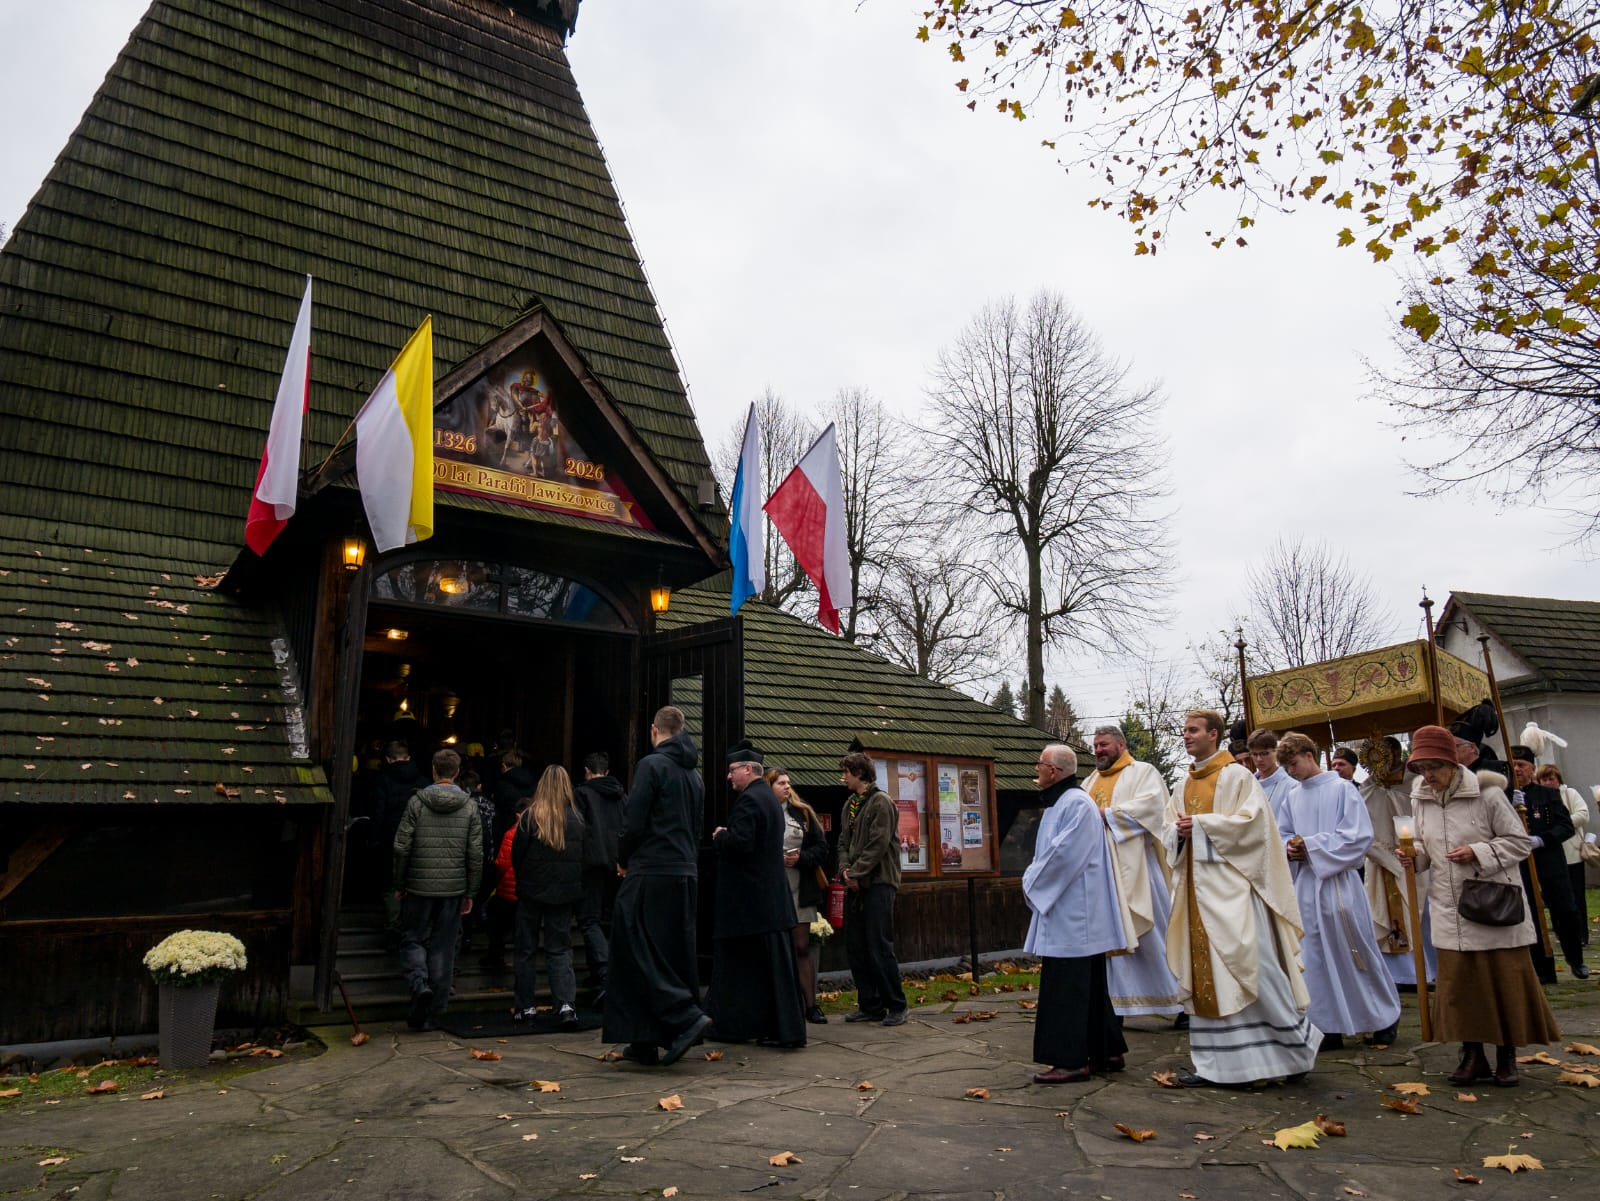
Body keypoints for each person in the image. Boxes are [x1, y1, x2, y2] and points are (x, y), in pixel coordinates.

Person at [1396, 725, 1559, 1087]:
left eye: (1433, 768)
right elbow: (1423, 844)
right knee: (1462, 987)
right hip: (1448, 904)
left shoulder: (1487, 794)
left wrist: (1478, 852)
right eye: (1421, 769)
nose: (1427, 776)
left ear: (1451, 763)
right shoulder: (1420, 797)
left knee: (1503, 984)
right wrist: (1413, 856)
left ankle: (1506, 1056)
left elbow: (1518, 843)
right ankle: (1472, 1056)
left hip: (1492, 903)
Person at [1163, 710, 1319, 1087]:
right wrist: (1181, 835)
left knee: (1255, 969)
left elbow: (1256, 829)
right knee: (1212, 976)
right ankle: (1225, 1066)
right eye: (1184, 731)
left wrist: (1200, 826)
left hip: (1234, 894)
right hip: (1197, 895)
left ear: (1214, 734)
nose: (1186, 736)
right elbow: (1167, 829)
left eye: (1193, 730)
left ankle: (1291, 1053)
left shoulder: (1236, 776)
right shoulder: (1184, 784)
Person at [1275, 731, 1402, 1049]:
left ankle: (1383, 1017)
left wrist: (1311, 847)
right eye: (1286, 767)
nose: (1291, 772)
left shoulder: (1343, 789)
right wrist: (1288, 848)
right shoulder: (1293, 795)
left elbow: (1358, 836)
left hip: (1339, 885)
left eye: (1293, 764)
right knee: (1314, 958)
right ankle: (1325, 1024)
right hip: (1306, 886)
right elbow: (1281, 833)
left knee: (1356, 951)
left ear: (1308, 754)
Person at [604, 706, 711, 1066]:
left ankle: (684, 1018)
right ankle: (646, 1038)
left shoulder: (651, 766)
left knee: (634, 946)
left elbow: (634, 822)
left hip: (651, 868)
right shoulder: (694, 776)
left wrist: (623, 856)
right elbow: (696, 827)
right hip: (684, 870)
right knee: (669, 951)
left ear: (654, 730)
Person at [1024, 744, 1131, 1083]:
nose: (1036, 770)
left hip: (1074, 914)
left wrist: (1030, 880)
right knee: (1089, 985)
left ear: (1054, 771)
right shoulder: (1065, 802)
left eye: (1040, 764)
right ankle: (1106, 1050)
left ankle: (1070, 1060)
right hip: (1072, 910)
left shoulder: (1076, 804)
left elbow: (1063, 856)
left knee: (1067, 987)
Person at [1082, 725, 1185, 1026]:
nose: (1099, 750)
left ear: (1120, 744)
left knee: (1152, 934)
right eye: (1096, 745)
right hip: (1103, 871)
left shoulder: (1143, 772)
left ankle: (1177, 1002)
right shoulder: (1090, 781)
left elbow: (1153, 809)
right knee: (1111, 941)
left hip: (1138, 868)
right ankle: (1118, 1006)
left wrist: (1107, 815)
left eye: (1104, 745)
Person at [706, 742, 806, 1047]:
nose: (729, 777)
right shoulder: (767, 799)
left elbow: (743, 844)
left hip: (754, 906)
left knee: (759, 973)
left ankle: (750, 1027)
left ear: (748, 769)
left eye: (733, 771)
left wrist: (722, 836)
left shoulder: (751, 800)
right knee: (766, 973)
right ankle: (769, 1029)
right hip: (767, 906)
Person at [392, 748, 484, 1030]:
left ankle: (419, 984)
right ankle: (435, 1011)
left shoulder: (416, 803)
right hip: (453, 887)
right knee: (444, 947)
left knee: (412, 939)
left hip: (419, 884)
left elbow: (401, 846)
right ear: (456, 773)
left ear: (434, 769)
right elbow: (475, 853)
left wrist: (400, 882)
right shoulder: (469, 806)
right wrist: (471, 891)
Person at [510, 765, 587, 1027]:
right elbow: (581, 859)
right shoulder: (577, 819)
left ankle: (526, 1006)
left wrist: (524, 880)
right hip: (563, 893)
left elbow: (516, 856)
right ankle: (565, 1005)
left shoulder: (531, 817)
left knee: (526, 949)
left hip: (532, 891)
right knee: (560, 949)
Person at [1359, 736, 1437, 989]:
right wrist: (1380, 852)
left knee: (1420, 912)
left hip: (1414, 856)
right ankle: (1399, 974)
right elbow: (1363, 823)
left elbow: (1424, 815)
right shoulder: (1368, 786)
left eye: (1386, 752)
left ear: (1395, 752)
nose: (1381, 760)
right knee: (1383, 912)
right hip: (1379, 860)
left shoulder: (1416, 782)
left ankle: (1430, 968)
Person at [838, 751, 909, 1027]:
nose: (843, 776)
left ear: (859, 773)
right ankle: (870, 1004)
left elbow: (878, 844)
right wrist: (846, 871)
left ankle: (896, 1004)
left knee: (879, 944)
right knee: (856, 946)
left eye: (846, 771)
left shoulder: (881, 802)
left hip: (879, 882)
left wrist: (856, 873)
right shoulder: (850, 805)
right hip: (856, 883)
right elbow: (843, 842)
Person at [1510, 747, 1585, 981]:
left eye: (1522, 764)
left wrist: (1543, 839)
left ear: (1532, 768)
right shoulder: (1503, 796)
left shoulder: (1548, 795)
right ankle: (1542, 967)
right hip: (1521, 863)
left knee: (1565, 911)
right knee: (1530, 913)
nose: (1517, 769)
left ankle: (1576, 959)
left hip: (1549, 860)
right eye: (1513, 765)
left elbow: (1566, 826)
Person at [768, 766, 835, 1024]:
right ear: (770, 787)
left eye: (788, 782)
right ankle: (782, 1004)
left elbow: (821, 848)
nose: (786, 786)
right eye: (780, 783)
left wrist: (801, 858)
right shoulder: (765, 812)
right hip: (775, 882)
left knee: (801, 946)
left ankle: (810, 1004)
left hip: (800, 883)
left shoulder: (803, 813)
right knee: (777, 947)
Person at [574, 751, 626, 998]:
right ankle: (608, 973)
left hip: (592, 864)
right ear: (606, 772)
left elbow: (578, 830)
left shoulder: (582, 794)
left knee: (589, 919)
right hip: (617, 864)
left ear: (586, 771)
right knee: (610, 918)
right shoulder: (621, 796)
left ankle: (603, 974)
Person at [373, 739, 427, 941]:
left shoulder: (384, 780)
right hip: (418, 838)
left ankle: (393, 926)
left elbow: (379, 812)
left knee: (391, 884)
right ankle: (412, 927)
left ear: (388, 759)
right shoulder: (423, 782)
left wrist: (375, 838)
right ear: (408, 758)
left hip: (390, 837)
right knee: (414, 882)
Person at [1536, 763, 1591, 947]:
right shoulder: (1538, 798)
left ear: (1558, 780)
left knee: (1576, 896)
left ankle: (1581, 933)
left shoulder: (1569, 794)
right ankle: (1562, 933)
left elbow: (1583, 814)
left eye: (1551, 779)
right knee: (1553, 898)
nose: (1548, 782)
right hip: (1550, 857)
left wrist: (1561, 825)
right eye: (1544, 779)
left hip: (1571, 854)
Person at [1249, 728, 1295, 827]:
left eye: (1264, 753)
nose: (1259, 759)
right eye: (1254, 754)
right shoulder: (1248, 785)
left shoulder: (1291, 786)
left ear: (1276, 752)